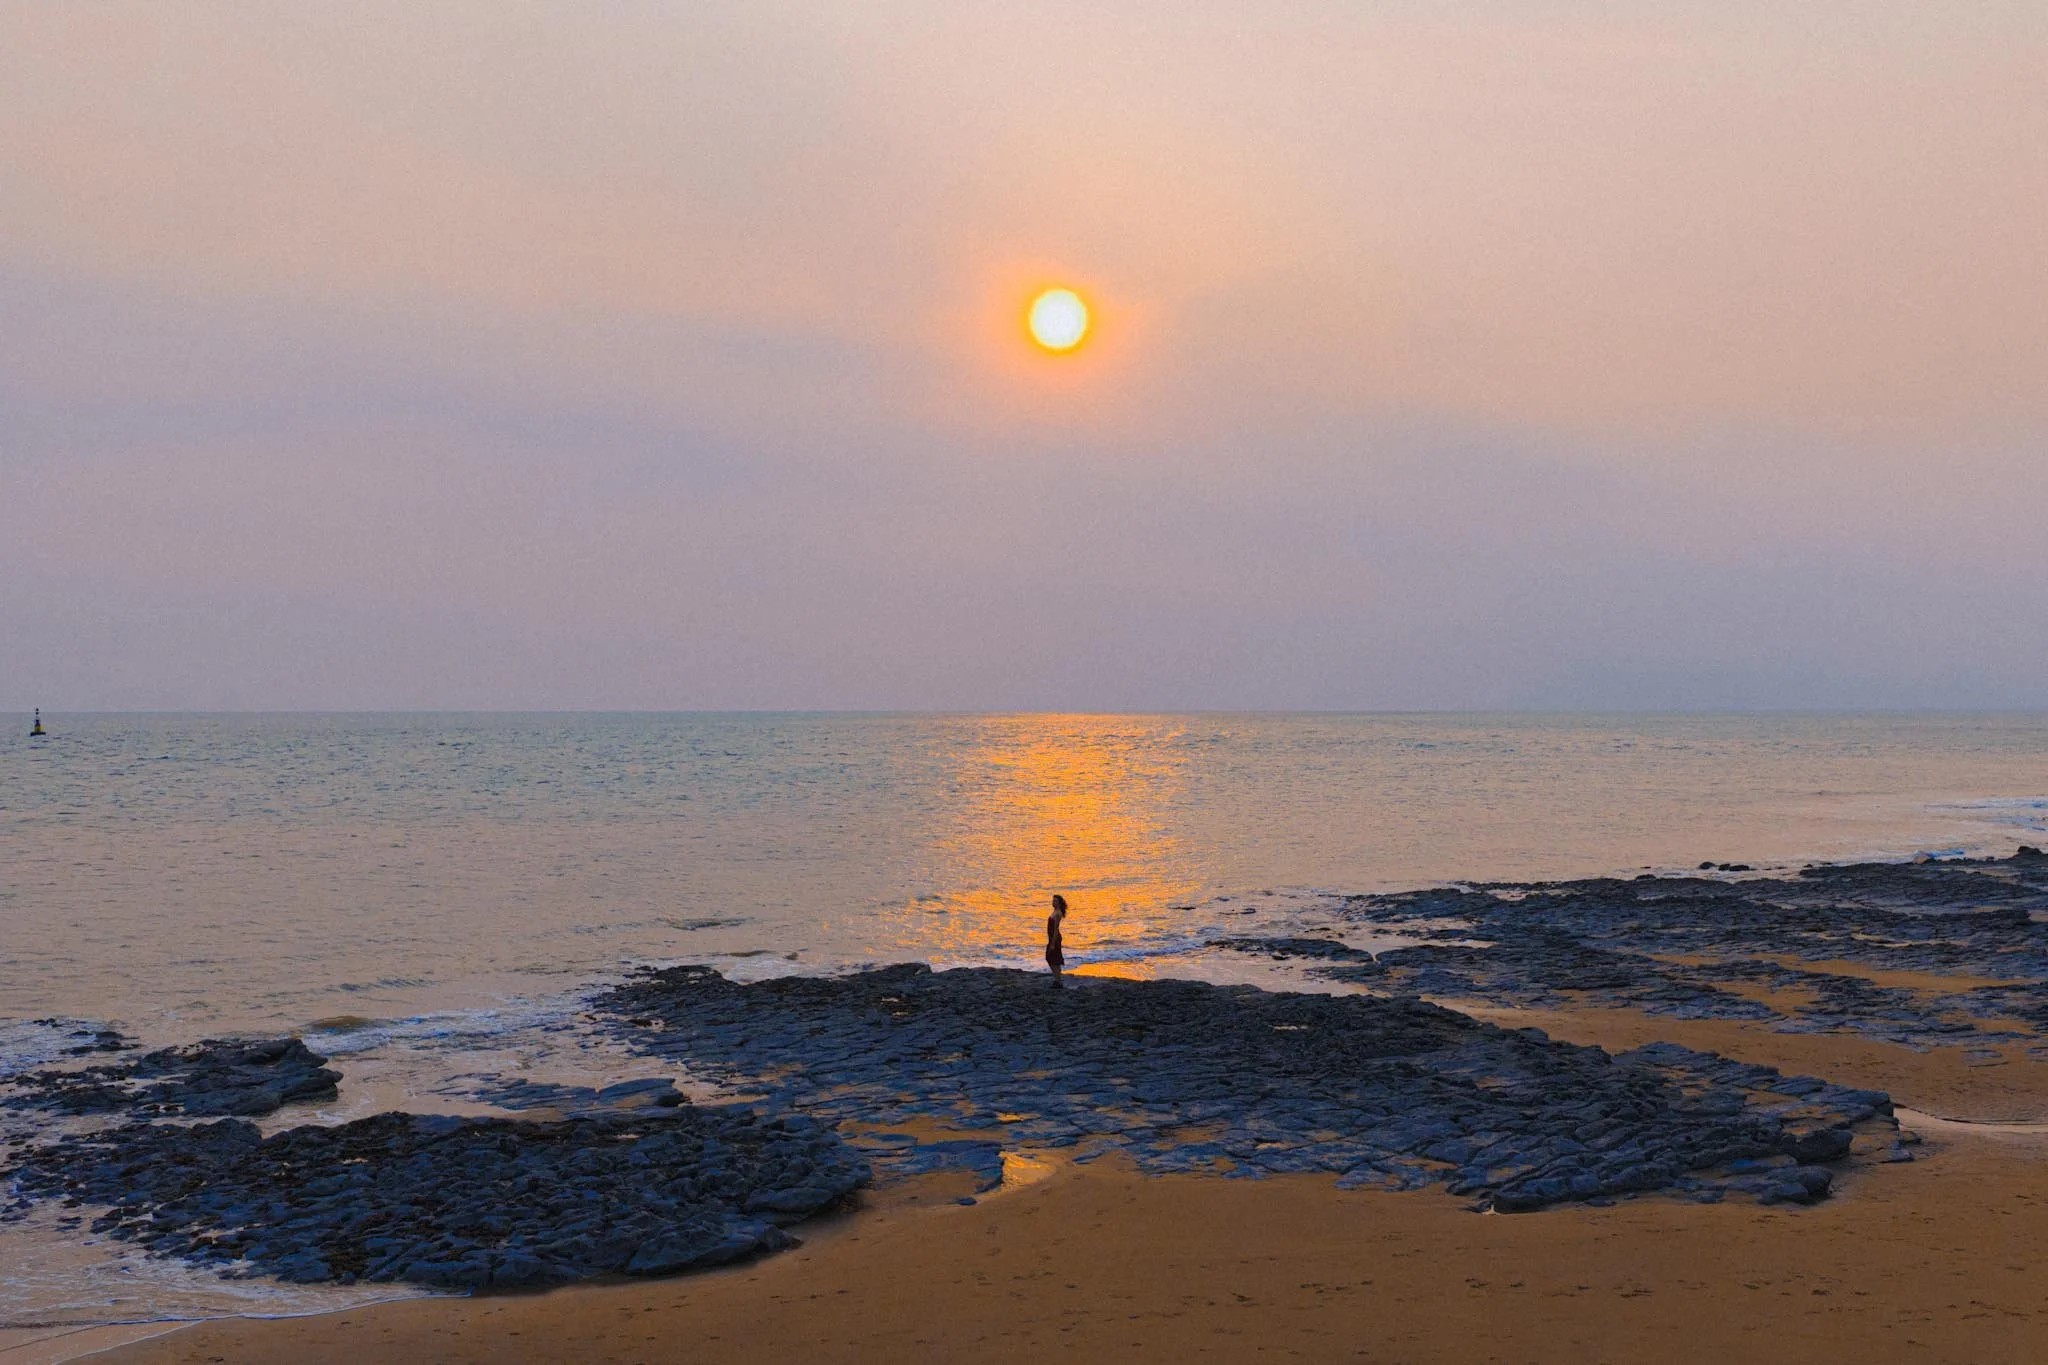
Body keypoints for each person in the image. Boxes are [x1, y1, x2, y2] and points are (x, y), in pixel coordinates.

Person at [1045, 894, 1068, 986]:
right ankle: (1057, 979)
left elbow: (1055, 929)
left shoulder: (1058, 913)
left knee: (1052, 958)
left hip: (1055, 938)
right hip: (1051, 937)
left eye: (1055, 901)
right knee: (1053, 959)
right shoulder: (1054, 911)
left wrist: (1053, 943)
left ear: (1058, 903)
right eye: (1052, 901)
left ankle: (1058, 980)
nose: (1053, 902)